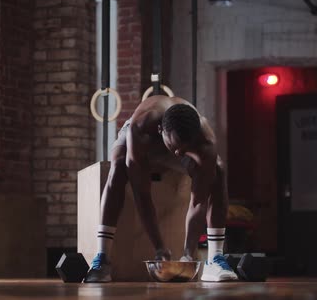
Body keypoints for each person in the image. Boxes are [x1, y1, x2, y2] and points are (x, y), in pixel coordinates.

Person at [84, 95, 238, 283]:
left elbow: (198, 201)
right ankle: (102, 259)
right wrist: (159, 248)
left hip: (178, 141)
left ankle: (215, 259)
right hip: (146, 144)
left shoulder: (204, 140)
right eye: (175, 148)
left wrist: (189, 254)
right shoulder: (140, 126)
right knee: (118, 168)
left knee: (218, 169)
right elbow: (142, 194)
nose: (178, 154)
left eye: (184, 149)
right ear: (160, 130)